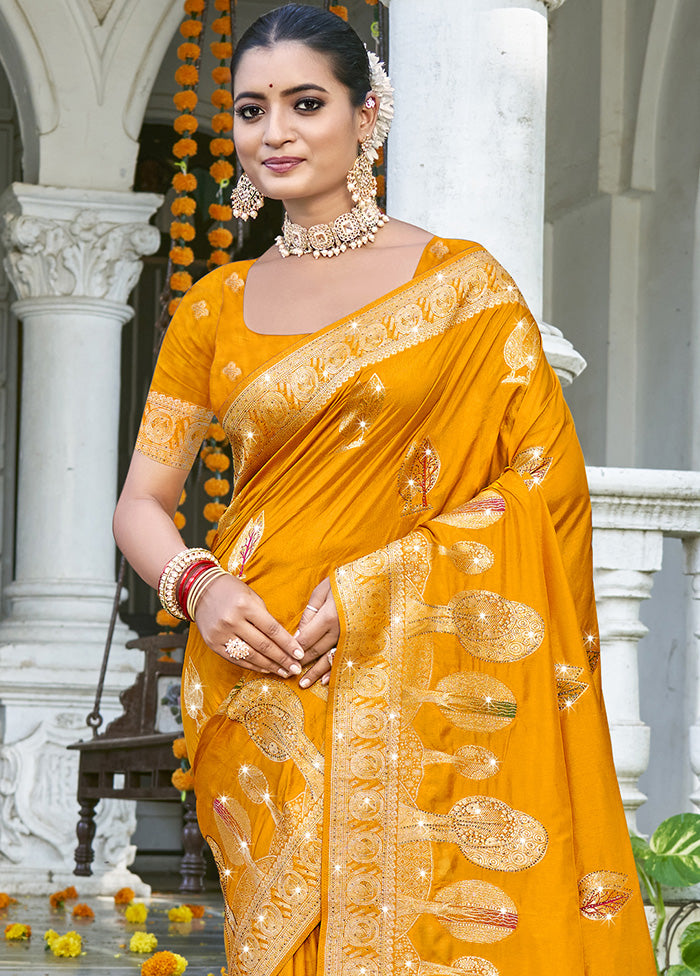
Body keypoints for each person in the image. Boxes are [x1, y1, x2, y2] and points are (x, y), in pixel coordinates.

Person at [113, 5, 657, 974]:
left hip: (422, 662)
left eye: (304, 103)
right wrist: (204, 589)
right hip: (261, 671)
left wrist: (391, 580)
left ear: (368, 116)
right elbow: (143, 502)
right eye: (249, 109)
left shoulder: (462, 289)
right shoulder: (214, 310)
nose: (272, 132)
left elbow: (543, 485)